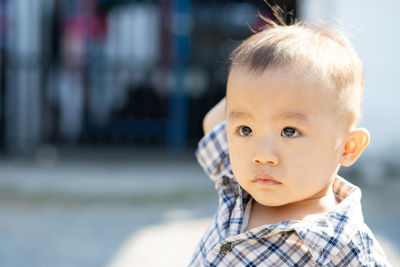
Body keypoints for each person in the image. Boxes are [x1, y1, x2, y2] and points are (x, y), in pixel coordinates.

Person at [189, 15, 391, 267]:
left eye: (289, 131)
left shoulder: (346, 251)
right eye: (245, 129)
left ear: (348, 147)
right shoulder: (235, 184)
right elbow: (214, 122)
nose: (261, 155)